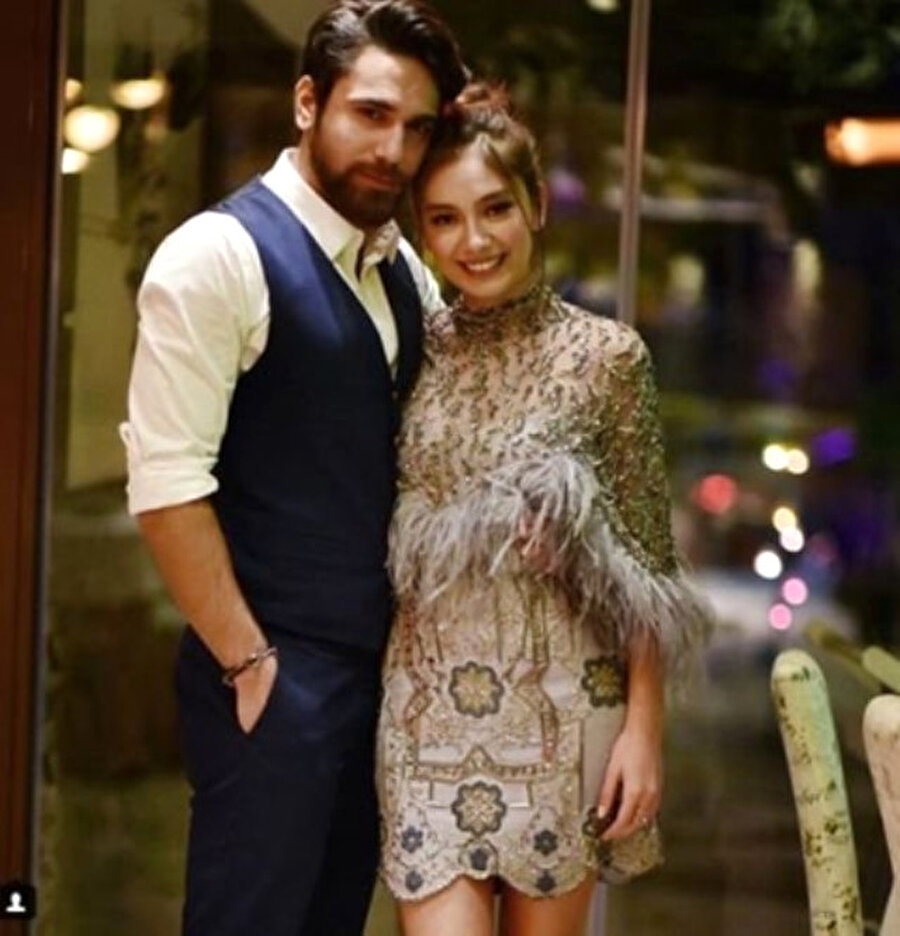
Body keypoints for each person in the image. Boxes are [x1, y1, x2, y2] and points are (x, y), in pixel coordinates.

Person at [120, 3, 466, 935]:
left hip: (379, 683)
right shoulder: (217, 256)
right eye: (371, 114)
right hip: (272, 677)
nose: (393, 150)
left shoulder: (402, 270)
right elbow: (167, 488)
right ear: (308, 102)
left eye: (417, 127)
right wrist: (250, 663)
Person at [377, 84, 713, 936]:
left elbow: (648, 569)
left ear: (535, 205)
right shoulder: (405, 351)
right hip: (425, 715)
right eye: (446, 219)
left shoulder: (608, 358)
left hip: (568, 712)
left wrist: (644, 732)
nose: (475, 240)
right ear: (422, 232)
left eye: (495, 208)